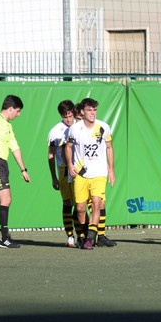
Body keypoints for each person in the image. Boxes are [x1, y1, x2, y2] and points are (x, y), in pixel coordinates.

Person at [65, 97, 117, 250]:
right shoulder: (75, 129)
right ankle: (81, 235)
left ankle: (90, 238)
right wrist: (69, 165)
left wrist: (111, 169)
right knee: (80, 208)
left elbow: (109, 147)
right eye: (89, 110)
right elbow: (68, 147)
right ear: (82, 112)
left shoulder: (104, 127)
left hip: (99, 173)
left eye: (94, 110)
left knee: (97, 203)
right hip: (81, 174)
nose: (93, 113)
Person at [0, 95, 31, 248]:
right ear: (10, 109)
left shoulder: (7, 125)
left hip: (2, 164)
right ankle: (4, 238)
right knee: (6, 199)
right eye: (18, 110)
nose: (19, 114)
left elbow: (15, 148)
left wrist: (23, 169)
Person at [47, 100, 81, 247]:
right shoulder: (55, 131)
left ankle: (82, 234)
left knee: (80, 203)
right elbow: (51, 156)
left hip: (80, 170)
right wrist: (53, 177)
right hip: (64, 170)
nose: (68, 119)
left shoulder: (80, 126)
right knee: (67, 202)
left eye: (70, 116)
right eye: (65, 116)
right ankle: (70, 236)